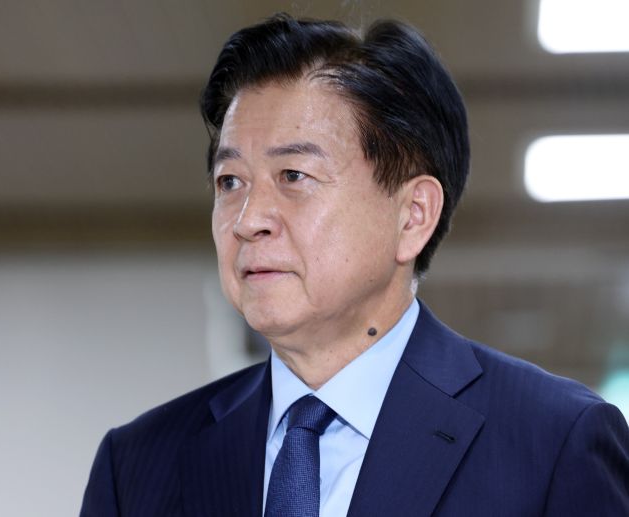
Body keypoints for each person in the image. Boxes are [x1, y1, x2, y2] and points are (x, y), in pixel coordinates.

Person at [80, 14, 629, 516]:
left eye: (293, 176)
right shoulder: (136, 467)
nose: (248, 220)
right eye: (230, 182)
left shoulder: (553, 444)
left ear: (413, 215)